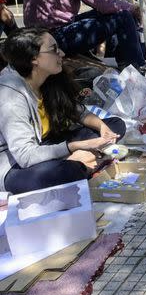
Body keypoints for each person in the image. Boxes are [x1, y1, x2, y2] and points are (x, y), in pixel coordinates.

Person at [0, 29, 126, 194]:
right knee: (68, 172)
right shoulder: (10, 95)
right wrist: (76, 147)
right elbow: (26, 156)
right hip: (14, 164)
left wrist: (102, 127)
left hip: (48, 145)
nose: (62, 53)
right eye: (54, 49)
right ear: (33, 59)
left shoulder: (48, 77)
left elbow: (78, 112)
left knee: (116, 125)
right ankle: (83, 161)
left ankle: (83, 160)